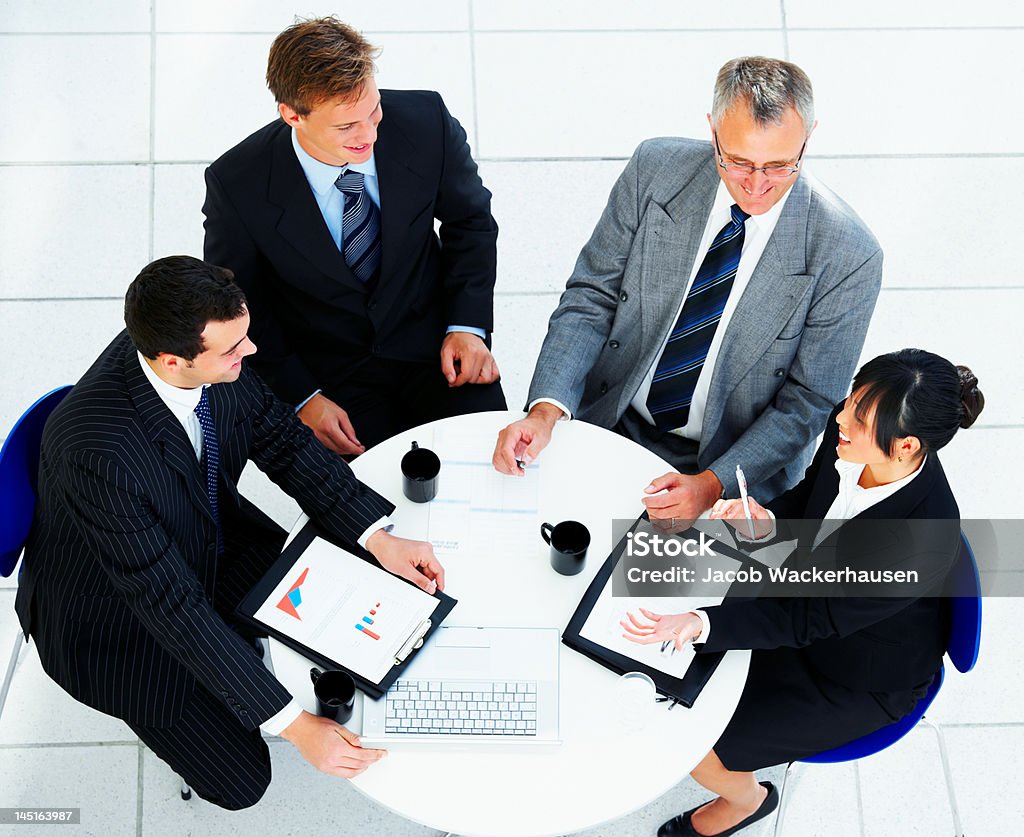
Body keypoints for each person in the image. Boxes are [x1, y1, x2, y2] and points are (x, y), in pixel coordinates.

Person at [15, 256, 446, 810]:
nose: (251, 353)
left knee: (359, 599)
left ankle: (247, 653)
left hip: (205, 535)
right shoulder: (97, 456)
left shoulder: (205, 350)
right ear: (173, 362)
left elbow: (282, 440)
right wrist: (294, 725)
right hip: (116, 623)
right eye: (233, 349)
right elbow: (172, 605)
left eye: (245, 336)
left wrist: (376, 536)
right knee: (242, 782)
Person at [493, 56, 882, 525]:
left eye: (780, 165)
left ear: (809, 137)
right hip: (609, 415)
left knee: (662, 594)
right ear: (712, 129)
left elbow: (808, 402)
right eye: (738, 161)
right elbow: (592, 296)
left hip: (731, 466)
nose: (757, 186)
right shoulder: (655, 169)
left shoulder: (848, 253)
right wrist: (546, 410)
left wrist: (712, 483)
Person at [621, 348, 984, 837]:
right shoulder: (853, 449)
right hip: (811, 596)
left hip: (854, 672)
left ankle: (747, 802)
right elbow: (809, 505)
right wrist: (768, 522)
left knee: (693, 740)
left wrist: (704, 623)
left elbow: (808, 621)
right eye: (852, 400)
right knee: (662, 587)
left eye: (860, 416)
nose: (841, 418)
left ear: (906, 446)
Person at [203, 16, 505, 456]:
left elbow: (471, 224)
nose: (369, 135)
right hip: (330, 377)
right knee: (375, 509)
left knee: (496, 469)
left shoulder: (427, 124)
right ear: (292, 115)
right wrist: (301, 397)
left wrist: (467, 326)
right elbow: (240, 303)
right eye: (346, 127)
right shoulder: (238, 183)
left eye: (374, 111)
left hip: (437, 346)